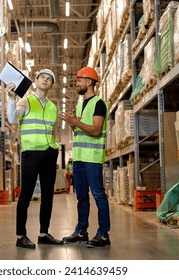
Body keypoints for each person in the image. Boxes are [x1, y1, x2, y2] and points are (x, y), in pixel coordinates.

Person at [6, 68, 64, 249]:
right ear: (36, 80)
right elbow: (13, 119)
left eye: (49, 79)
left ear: (52, 85)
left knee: (48, 196)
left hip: (49, 152)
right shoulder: (27, 100)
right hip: (31, 153)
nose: (45, 80)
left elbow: (52, 131)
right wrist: (11, 99)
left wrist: (54, 148)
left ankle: (43, 233)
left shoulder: (53, 106)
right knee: (26, 195)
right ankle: (20, 235)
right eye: (42, 77)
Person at [58, 66, 110, 248]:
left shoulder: (99, 103)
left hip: (93, 158)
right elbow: (80, 129)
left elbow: (96, 130)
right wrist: (73, 124)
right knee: (81, 196)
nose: (77, 83)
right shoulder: (80, 105)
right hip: (79, 158)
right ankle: (81, 231)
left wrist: (76, 122)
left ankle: (103, 234)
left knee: (98, 195)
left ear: (89, 82)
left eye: (79, 80)